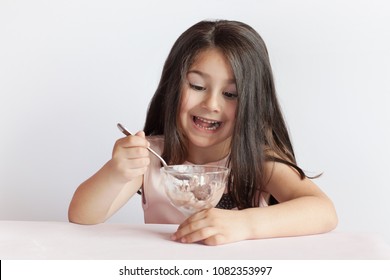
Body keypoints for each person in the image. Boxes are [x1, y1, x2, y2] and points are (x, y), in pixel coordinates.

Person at [68, 19, 338, 245]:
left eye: (230, 94)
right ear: (173, 88)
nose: (211, 104)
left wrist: (244, 225)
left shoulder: (257, 162)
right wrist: (116, 172)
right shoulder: (151, 156)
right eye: (197, 86)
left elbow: (323, 211)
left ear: (253, 103)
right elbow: (82, 216)